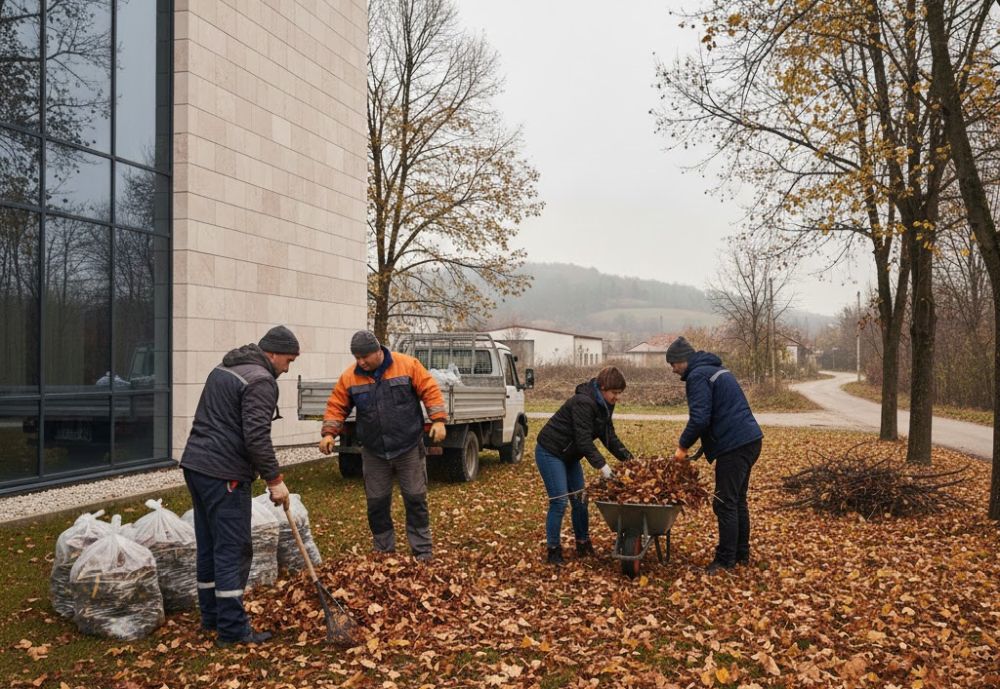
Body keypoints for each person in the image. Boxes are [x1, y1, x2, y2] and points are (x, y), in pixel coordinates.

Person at [179, 325, 297, 646]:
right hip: (225, 473)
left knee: (209, 545)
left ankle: (212, 618)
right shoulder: (261, 380)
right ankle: (232, 630)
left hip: (196, 466)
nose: (288, 369)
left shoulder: (225, 368)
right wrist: (275, 480)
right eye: (288, 360)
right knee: (232, 548)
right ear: (273, 353)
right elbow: (256, 437)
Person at [319, 330, 446, 561]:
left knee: (415, 499)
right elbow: (337, 405)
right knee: (376, 503)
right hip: (374, 450)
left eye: (365, 357)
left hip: (408, 446)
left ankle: (423, 551)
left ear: (378, 351)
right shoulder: (350, 377)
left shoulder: (408, 365)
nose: (361, 362)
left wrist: (438, 420)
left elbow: (430, 390)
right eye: (357, 357)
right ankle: (383, 551)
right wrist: (329, 433)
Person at [666, 336, 763, 574]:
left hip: (735, 445)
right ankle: (741, 555)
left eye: (673, 364)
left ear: (682, 360)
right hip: (750, 440)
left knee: (724, 503)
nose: (673, 369)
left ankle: (725, 561)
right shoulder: (714, 369)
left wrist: (682, 447)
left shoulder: (697, 376)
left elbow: (700, 418)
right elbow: (716, 414)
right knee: (737, 500)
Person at [535, 366, 634, 565]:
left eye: (619, 393)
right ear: (603, 387)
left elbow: (609, 437)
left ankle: (583, 543)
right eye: (614, 393)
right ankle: (553, 550)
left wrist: (630, 460)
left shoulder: (605, 404)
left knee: (580, 500)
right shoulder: (583, 402)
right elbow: (583, 441)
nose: (617, 397)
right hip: (550, 451)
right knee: (560, 501)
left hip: (570, 456)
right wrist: (603, 467)